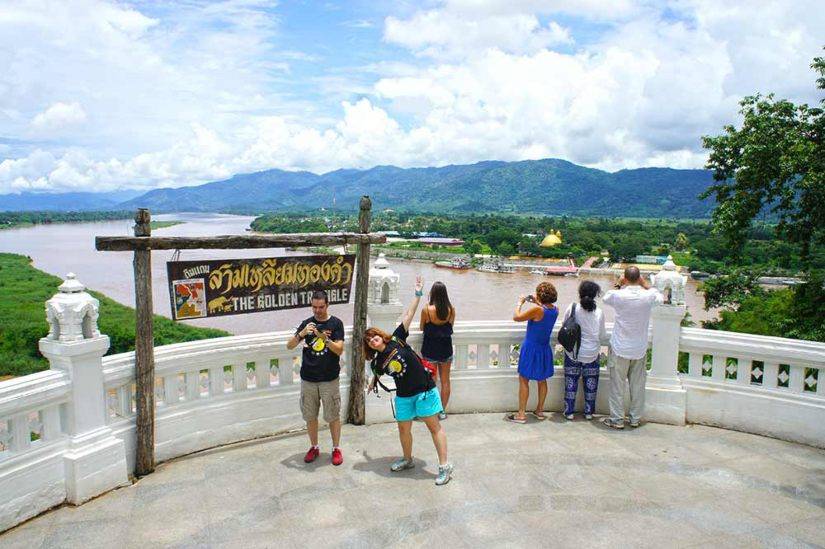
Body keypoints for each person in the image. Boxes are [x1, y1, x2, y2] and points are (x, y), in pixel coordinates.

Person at [366, 276, 453, 486]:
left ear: (381, 335)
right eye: (368, 340)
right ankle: (407, 459)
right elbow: (376, 374)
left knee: (434, 428)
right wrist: (371, 381)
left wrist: (417, 294)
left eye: (374, 336)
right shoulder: (377, 362)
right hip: (404, 396)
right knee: (403, 429)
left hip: (424, 390)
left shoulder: (396, 338)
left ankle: (444, 466)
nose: (372, 340)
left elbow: (409, 314)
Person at [286, 290, 346, 465]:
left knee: (333, 415)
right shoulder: (307, 324)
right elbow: (289, 346)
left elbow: (339, 349)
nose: (317, 311)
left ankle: (336, 448)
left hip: (329, 378)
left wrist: (323, 338)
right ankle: (314, 446)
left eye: (321, 307)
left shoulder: (336, 324)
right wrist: (302, 333)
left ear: (327, 305)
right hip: (308, 379)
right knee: (310, 416)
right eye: (314, 307)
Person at [602, 266, 664, 429]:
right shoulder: (648, 296)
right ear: (640, 278)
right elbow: (660, 297)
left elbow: (605, 297)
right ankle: (635, 418)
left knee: (617, 386)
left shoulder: (618, 295)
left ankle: (617, 419)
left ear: (625, 278)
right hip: (639, 348)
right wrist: (645, 284)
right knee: (637, 386)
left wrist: (618, 284)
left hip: (620, 347)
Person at [507, 282, 559, 424]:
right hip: (544, 348)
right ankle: (540, 410)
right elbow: (543, 310)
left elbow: (516, 317)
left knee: (524, 379)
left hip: (531, 348)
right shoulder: (555, 310)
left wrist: (520, 302)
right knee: (542, 380)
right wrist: (537, 301)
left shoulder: (537, 310)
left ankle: (521, 414)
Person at [561, 280, 607, 421]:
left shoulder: (572, 307)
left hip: (573, 352)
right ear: (595, 295)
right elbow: (602, 335)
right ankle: (588, 412)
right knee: (591, 383)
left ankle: (569, 412)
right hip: (592, 353)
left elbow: (565, 326)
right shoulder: (599, 313)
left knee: (571, 382)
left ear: (580, 293)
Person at [420, 281, 455, 420]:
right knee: (445, 381)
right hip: (446, 349)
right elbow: (450, 326)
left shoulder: (427, 310)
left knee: (431, 382)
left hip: (430, 349)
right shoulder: (451, 309)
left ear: (432, 293)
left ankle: (431, 411)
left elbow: (422, 327)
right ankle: (442, 411)